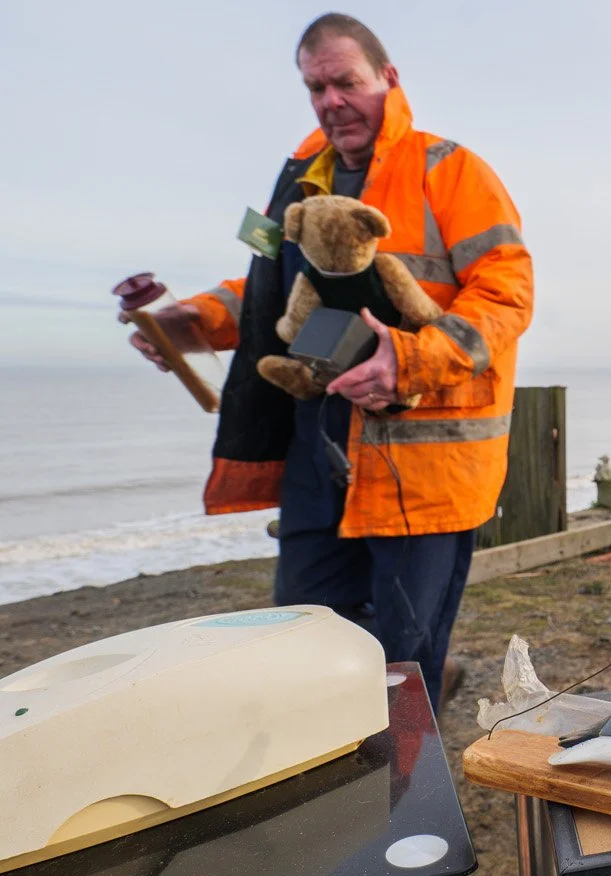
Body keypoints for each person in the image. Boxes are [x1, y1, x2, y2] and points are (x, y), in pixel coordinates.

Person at [127, 13, 534, 710]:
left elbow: (507, 295)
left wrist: (407, 361)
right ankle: (341, 788)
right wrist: (190, 321)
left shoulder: (453, 170)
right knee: (307, 641)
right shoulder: (299, 179)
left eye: (346, 81)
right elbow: (264, 296)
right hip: (318, 454)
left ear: (388, 78)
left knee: (403, 661)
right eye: (315, 87)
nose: (330, 100)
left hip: (422, 477)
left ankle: (405, 801)